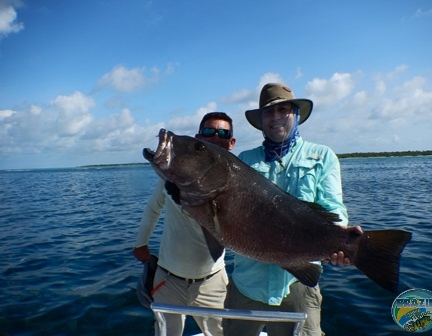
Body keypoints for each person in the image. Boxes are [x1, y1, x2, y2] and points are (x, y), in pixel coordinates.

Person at [223, 83, 361, 336]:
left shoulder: (323, 156)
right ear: (261, 120)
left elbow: (333, 206)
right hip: (247, 284)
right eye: (268, 112)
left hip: (298, 283)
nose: (275, 117)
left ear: (295, 114)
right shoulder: (243, 161)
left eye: (282, 109)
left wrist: (341, 240)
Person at [134, 112, 236, 336]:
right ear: (198, 138)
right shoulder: (172, 177)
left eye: (223, 133)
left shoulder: (236, 186)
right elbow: (153, 208)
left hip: (212, 282)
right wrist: (141, 243)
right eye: (209, 131)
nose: (215, 136)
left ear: (231, 143)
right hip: (168, 280)